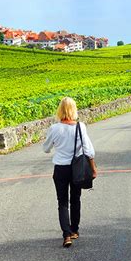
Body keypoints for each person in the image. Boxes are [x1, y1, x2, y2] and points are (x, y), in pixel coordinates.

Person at [43, 97, 97, 248]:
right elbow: (88, 150)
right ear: (74, 109)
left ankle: (66, 235)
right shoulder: (81, 127)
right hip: (76, 168)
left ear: (60, 110)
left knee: (62, 202)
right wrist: (93, 169)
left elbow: (46, 149)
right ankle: (75, 230)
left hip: (60, 169)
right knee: (75, 199)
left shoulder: (54, 128)